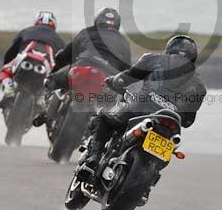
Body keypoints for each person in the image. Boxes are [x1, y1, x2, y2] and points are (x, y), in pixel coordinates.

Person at [78, 34, 207, 181]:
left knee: (102, 119)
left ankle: (93, 159)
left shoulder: (153, 59)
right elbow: (188, 121)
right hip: (170, 125)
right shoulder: (200, 86)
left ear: (170, 49)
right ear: (193, 56)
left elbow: (125, 78)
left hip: (140, 110)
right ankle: (150, 179)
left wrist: (114, 81)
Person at [37, 7, 132, 126]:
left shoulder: (86, 32)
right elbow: (127, 69)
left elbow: (66, 54)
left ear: (97, 20)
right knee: (111, 108)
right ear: (117, 24)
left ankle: (45, 113)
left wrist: (54, 70)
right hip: (108, 77)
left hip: (82, 66)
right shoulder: (123, 41)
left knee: (49, 82)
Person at [0, 11, 66, 110]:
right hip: (45, 66)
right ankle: (41, 100)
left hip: (25, 58)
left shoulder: (26, 31)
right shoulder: (59, 40)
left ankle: (9, 91)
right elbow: (62, 60)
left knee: (3, 72)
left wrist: (7, 66)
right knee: (51, 83)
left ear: (37, 21)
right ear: (54, 24)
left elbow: (11, 52)